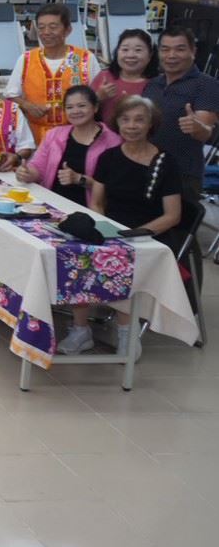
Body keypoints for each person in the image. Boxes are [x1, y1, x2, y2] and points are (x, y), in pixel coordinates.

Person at [81, 95, 185, 356]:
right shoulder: (108, 157)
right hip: (112, 229)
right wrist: (105, 228)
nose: (131, 126)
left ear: (151, 124)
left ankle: (127, 332)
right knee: (78, 255)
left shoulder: (166, 162)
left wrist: (134, 236)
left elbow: (172, 216)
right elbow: (97, 202)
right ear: (117, 123)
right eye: (125, 119)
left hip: (151, 233)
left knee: (123, 260)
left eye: (139, 120)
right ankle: (80, 330)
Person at [142, 27, 219, 204]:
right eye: (165, 49)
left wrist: (197, 127)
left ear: (193, 51)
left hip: (182, 174)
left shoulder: (207, 85)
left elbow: (205, 132)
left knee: (177, 221)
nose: (171, 55)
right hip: (147, 166)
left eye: (180, 49)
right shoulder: (153, 84)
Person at [5, 2, 100, 145]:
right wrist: (28, 106)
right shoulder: (26, 59)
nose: (46, 32)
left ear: (67, 30)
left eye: (53, 27)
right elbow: (10, 95)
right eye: (41, 27)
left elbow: (98, 96)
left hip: (77, 137)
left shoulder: (86, 59)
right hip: (36, 138)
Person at [18, 85, 119, 209]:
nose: (75, 111)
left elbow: (114, 188)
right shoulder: (54, 135)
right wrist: (27, 173)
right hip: (51, 207)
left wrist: (79, 179)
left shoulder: (112, 142)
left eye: (81, 106)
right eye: (69, 107)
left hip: (89, 211)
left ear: (95, 107)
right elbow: (38, 167)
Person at [91, 28, 157, 124]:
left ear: (150, 54)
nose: (130, 55)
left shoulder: (156, 83)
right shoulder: (104, 77)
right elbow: (82, 109)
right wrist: (98, 97)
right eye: (125, 49)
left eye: (138, 50)